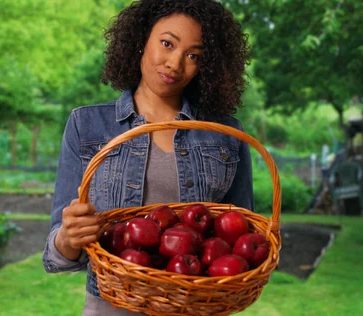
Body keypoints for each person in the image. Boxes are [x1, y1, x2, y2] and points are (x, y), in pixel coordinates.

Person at [42, 0, 253, 315]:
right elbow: (55, 256)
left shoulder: (226, 134)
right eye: (167, 43)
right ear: (141, 40)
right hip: (112, 307)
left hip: (197, 307)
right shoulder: (87, 126)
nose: (175, 63)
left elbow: (245, 241)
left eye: (193, 55)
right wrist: (70, 238)